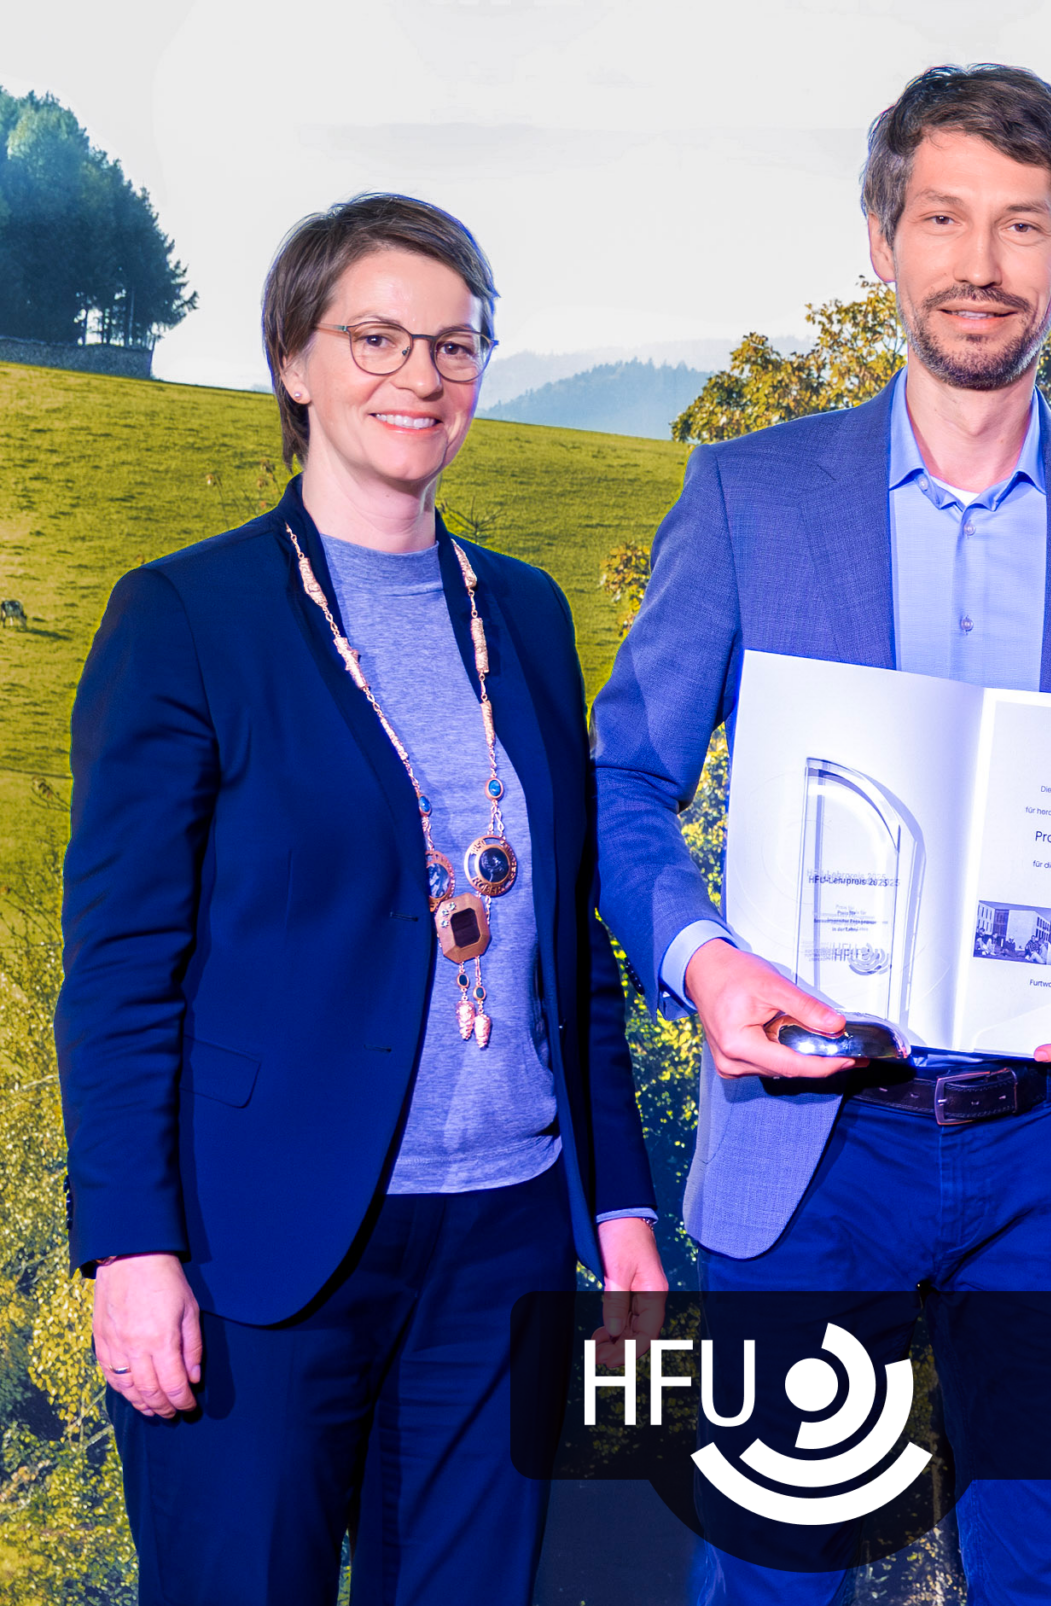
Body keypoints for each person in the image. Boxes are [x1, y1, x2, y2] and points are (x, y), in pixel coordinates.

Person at [589, 64, 1051, 1603]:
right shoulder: (749, 495)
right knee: (771, 1576)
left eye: (1022, 225)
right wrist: (702, 961)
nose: (981, 262)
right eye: (943, 219)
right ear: (881, 241)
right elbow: (623, 781)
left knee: (1049, 1574)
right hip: (813, 1134)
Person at [56, 193, 665, 1605]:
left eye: (455, 345)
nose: (420, 376)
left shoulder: (526, 612)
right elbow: (123, 971)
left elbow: (566, 944)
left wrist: (620, 1206)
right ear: (295, 360)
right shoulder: (187, 617)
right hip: (258, 1243)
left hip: (504, 1235)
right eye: (376, 338)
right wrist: (131, 1244)